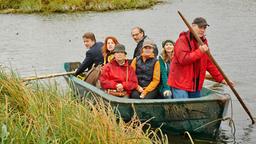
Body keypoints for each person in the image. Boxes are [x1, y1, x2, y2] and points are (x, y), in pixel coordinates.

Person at [168, 17, 229, 99]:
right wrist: (199, 51)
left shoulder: (204, 42)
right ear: (193, 26)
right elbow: (183, 60)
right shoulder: (182, 40)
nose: (202, 30)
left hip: (195, 85)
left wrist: (221, 79)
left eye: (204, 28)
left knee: (195, 109)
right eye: (200, 27)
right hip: (180, 84)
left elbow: (209, 63)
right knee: (184, 108)